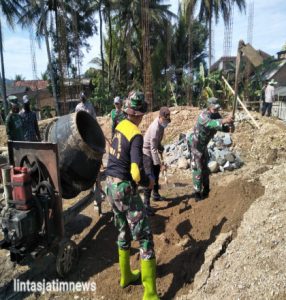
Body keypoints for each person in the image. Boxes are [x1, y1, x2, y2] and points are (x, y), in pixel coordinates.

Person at [105, 90, 159, 299]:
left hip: (110, 185)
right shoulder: (135, 135)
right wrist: (149, 182)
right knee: (145, 237)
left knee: (123, 231)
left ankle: (126, 276)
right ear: (139, 114)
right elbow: (136, 172)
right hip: (124, 188)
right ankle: (151, 294)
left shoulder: (119, 126)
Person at [189, 97, 234, 201]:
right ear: (209, 108)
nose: (216, 111)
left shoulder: (216, 115)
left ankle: (206, 189)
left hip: (203, 146)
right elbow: (211, 123)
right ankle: (197, 193)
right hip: (196, 145)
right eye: (214, 109)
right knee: (198, 169)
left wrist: (230, 126)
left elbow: (223, 127)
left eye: (217, 109)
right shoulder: (203, 116)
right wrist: (225, 120)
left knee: (205, 168)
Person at [143, 107, 171, 216]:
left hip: (153, 149)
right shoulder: (155, 128)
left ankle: (155, 195)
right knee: (150, 177)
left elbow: (157, 143)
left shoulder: (162, 126)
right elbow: (152, 149)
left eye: (167, 120)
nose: (166, 122)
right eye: (164, 120)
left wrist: (161, 146)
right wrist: (160, 164)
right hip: (147, 153)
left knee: (156, 174)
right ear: (160, 117)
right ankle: (146, 204)